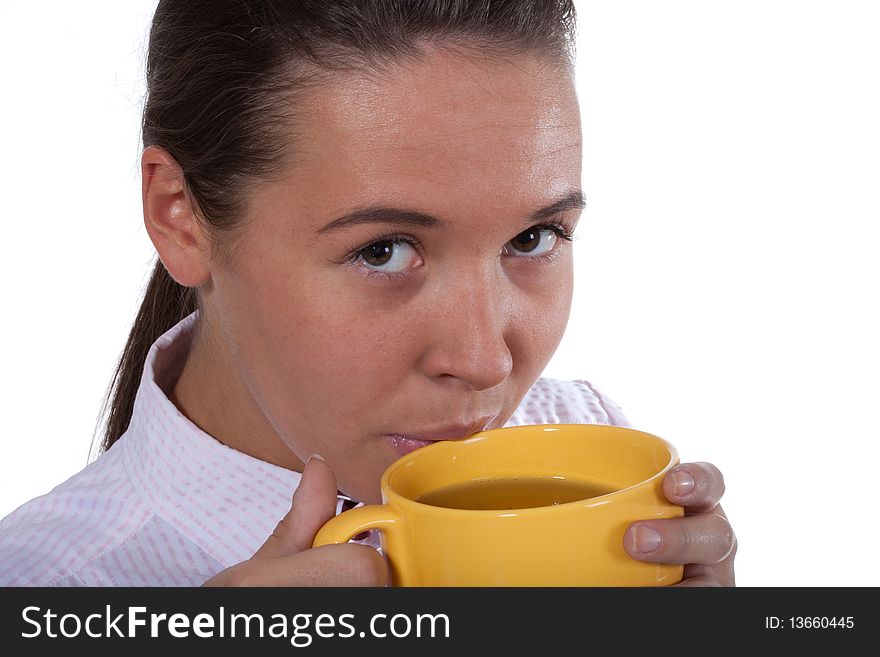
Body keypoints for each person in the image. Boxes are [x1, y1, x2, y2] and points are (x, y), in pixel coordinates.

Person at [0, 0, 736, 587]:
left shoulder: (588, 447)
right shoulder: (43, 585)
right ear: (179, 215)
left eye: (533, 237)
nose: (483, 363)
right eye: (382, 250)